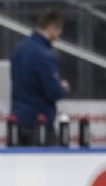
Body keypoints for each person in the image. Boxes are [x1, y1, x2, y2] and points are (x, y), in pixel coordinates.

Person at [10, 9, 70, 146]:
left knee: (20, 165)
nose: (59, 35)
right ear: (52, 28)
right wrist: (62, 87)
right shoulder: (46, 55)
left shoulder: (18, 49)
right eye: (59, 30)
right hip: (39, 122)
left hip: (18, 119)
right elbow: (52, 91)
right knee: (44, 166)